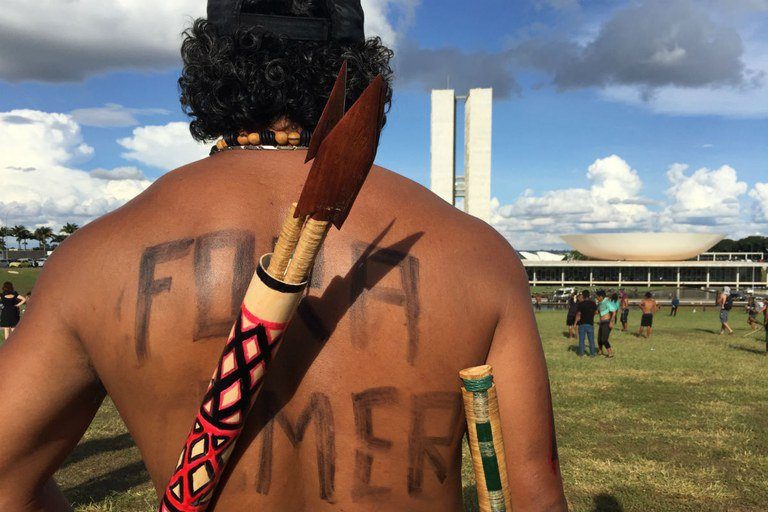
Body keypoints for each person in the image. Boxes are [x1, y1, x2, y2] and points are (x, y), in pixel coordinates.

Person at [0, 2, 567, 511]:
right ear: (356, 68)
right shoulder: (478, 253)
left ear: (210, 69)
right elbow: (534, 494)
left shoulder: (94, 258)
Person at [575, 289, 598, 357]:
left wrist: (575, 323)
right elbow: (596, 312)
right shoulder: (593, 303)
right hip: (590, 323)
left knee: (581, 340)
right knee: (591, 340)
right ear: (589, 295)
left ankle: (581, 353)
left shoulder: (581, 304)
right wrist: (591, 314)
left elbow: (578, 314)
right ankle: (592, 354)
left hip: (582, 324)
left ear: (583, 296)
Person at [595, 290, 616, 358]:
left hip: (607, 322)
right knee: (599, 339)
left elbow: (614, 311)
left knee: (604, 339)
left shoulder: (607, 302)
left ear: (601, 297)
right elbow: (597, 312)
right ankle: (600, 351)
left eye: (597, 297)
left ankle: (610, 353)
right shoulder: (600, 303)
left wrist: (611, 322)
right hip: (601, 323)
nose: (596, 298)